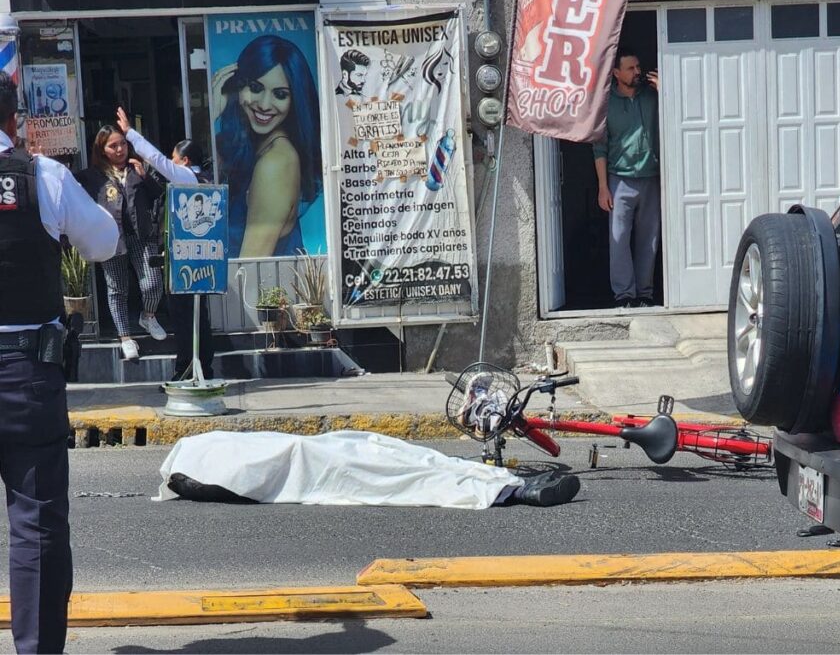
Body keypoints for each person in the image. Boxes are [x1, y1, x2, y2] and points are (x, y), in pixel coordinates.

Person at [0, 72, 119, 653]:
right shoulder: (41, 176)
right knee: (37, 523)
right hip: (26, 374)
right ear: (13, 119)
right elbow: (104, 243)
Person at [155, 430, 582, 509]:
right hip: (309, 461)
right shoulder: (194, 471)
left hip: (315, 448)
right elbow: (252, 483)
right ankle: (512, 489)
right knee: (394, 474)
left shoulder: (196, 455)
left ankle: (510, 482)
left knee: (399, 458)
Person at [115, 108, 214, 381]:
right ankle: (202, 368)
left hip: (186, 261)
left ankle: (186, 371)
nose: (171, 163)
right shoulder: (205, 179)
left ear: (185, 160)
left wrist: (130, 133)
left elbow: (157, 159)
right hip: (198, 258)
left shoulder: (190, 177)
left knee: (185, 319)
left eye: (174, 159)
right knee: (198, 318)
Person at [212, 35, 322, 258]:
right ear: (238, 87)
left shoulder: (276, 163)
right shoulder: (251, 150)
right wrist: (213, 114)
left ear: (295, 100)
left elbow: (251, 265)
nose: (264, 104)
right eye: (255, 88)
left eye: (280, 94)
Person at [76, 126, 168, 360]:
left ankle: (148, 316)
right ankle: (125, 337)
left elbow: (159, 194)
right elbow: (72, 193)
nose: (120, 150)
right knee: (117, 289)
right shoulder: (92, 176)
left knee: (152, 283)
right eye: (113, 146)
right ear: (102, 150)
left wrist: (145, 176)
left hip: (141, 234)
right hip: (111, 238)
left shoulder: (138, 167)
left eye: (123, 144)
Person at [593, 46, 661, 309]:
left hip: (651, 176)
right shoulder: (606, 103)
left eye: (638, 67)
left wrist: (666, 91)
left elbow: (682, 118)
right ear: (616, 73)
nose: (637, 72)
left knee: (649, 238)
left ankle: (645, 293)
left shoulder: (652, 96)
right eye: (630, 68)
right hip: (619, 179)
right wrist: (603, 187)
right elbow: (599, 147)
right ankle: (624, 295)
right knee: (619, 238)